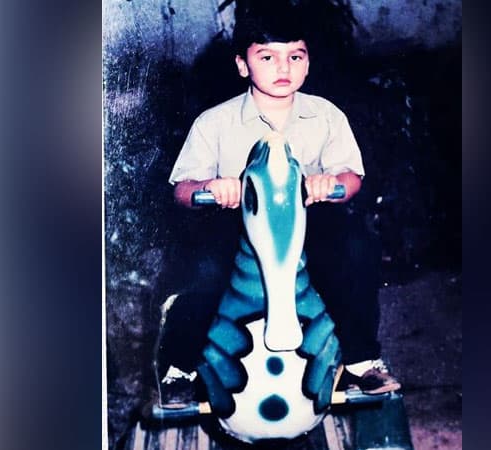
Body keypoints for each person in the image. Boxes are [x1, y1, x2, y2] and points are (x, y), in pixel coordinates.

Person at [157, 9, 399, 409]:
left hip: (305, 216)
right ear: (242, 64)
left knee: (354, 250)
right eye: (267, 57)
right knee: (205, 268)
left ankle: (361, 359)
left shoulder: (325, 115)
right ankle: (179, 368)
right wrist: (211, 187)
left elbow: (351, 176)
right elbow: (182, 189)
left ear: (308, 62)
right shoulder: (214, 122)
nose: (283, 67)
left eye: (295, 56)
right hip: (236, 219)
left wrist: (329, 183)